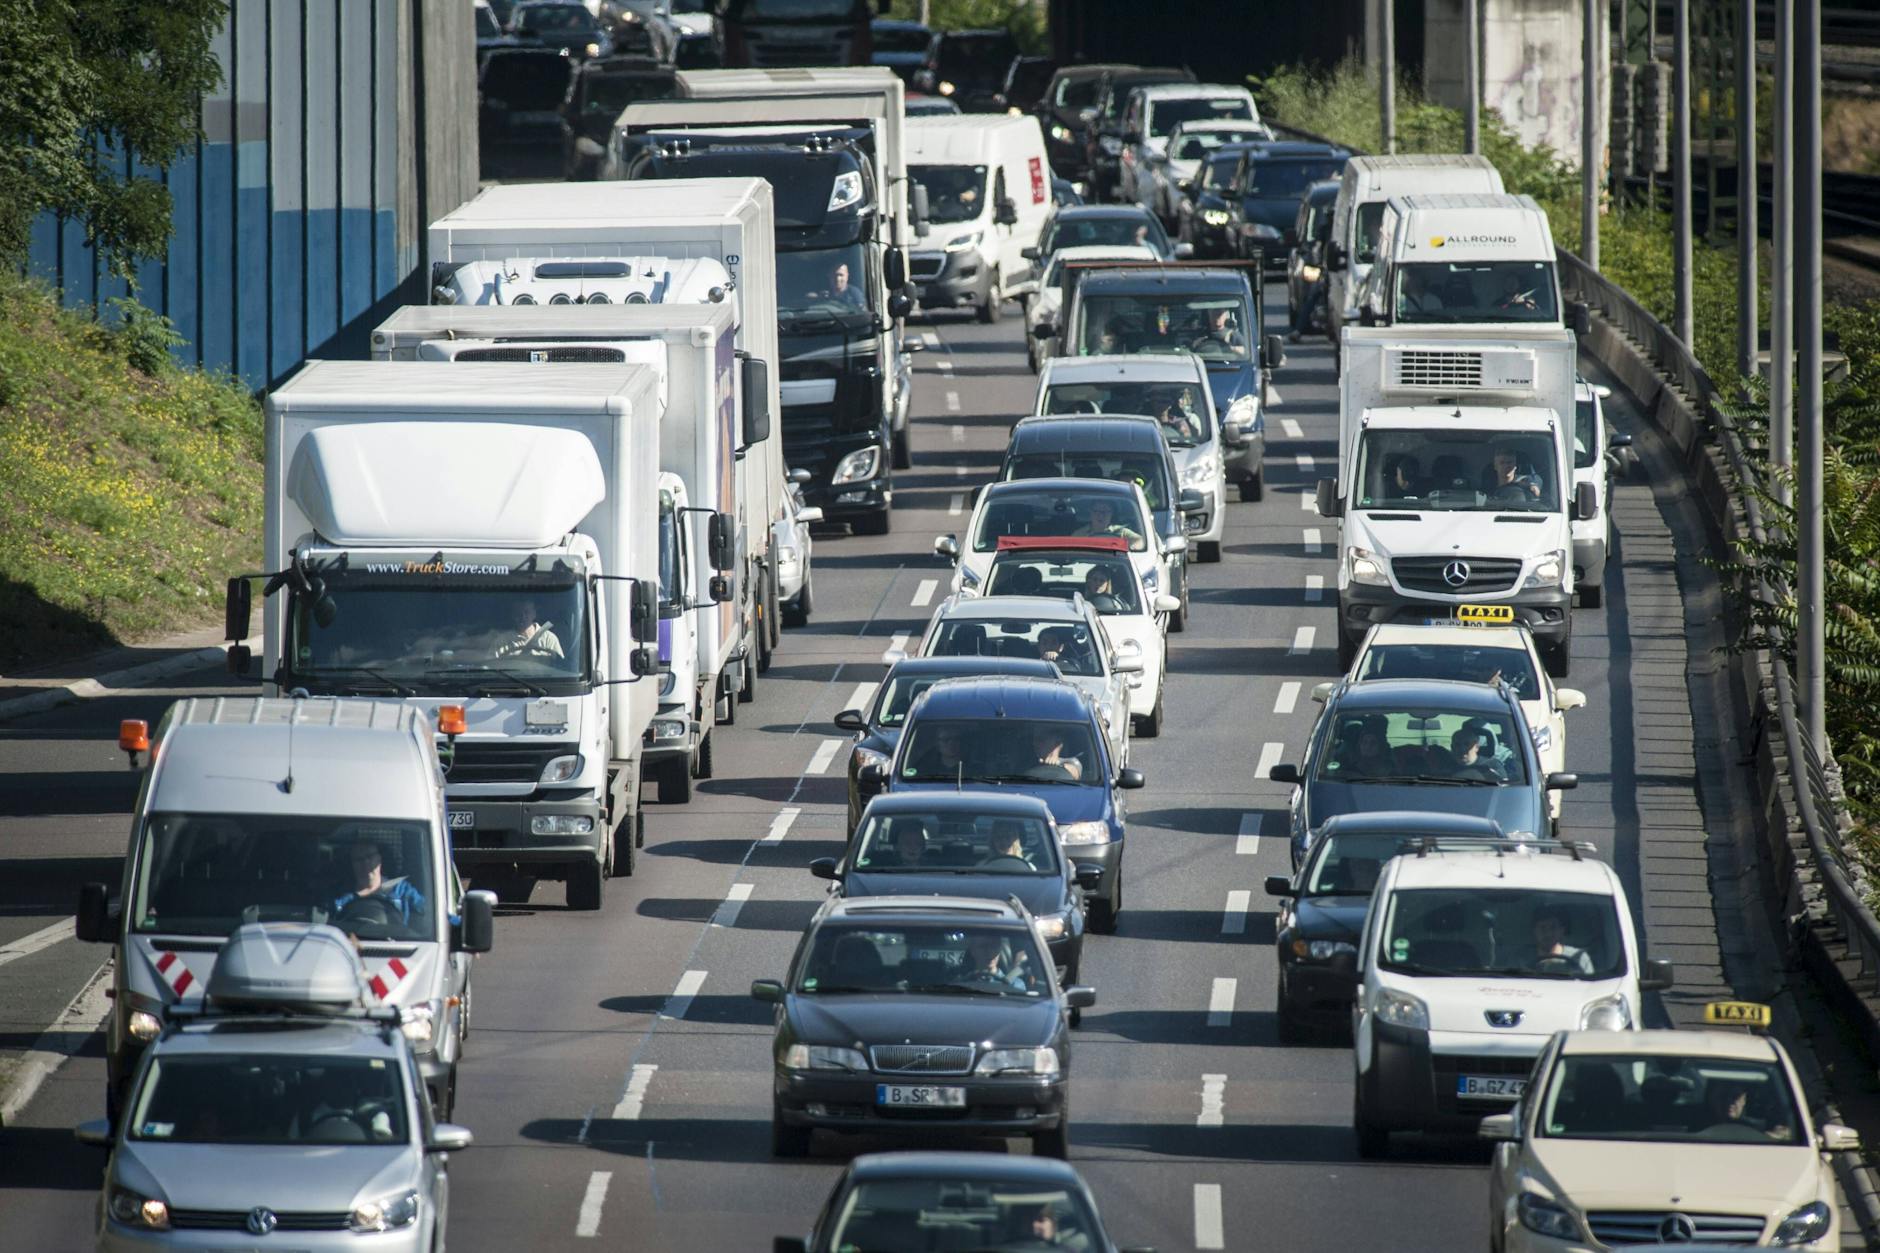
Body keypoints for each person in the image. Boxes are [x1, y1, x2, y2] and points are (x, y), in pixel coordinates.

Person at [330, 840, 427, 927]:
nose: (366, 863)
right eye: (359, 859)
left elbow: (428, 912)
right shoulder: (338, 898)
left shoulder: (402, 891)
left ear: (379, 859)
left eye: (370, 856)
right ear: (351, 864)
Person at [1705, 1079, 1792, 1140]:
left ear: (1744, 1100)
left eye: (1736, 1096)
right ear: (1711, 1098)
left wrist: (1773, 1136)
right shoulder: (1695, 1126)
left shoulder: (1756, 1127)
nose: (1730, 1102)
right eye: (1723, 1096)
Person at [1530, 907, 1596, 975]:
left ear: (1562, 930)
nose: (1548, 934)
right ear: (1534, 931)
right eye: (1542, 928)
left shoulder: (1580, 958)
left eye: (1553, 927)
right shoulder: (1522, 960)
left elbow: (1590, 984)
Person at [494, 598, 564, 661]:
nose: (523, 617)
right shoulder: (501, 641)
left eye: (527, 612)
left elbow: (560, 666)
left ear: (534, 614)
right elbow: (490, 667)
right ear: (512, 615)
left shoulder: (549, 639)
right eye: (518, 613)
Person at [1073, 499, 1142, 544]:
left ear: (1112, 514)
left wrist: (1131, 547)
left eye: (1105, 511)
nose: (1101, 515)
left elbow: (1140, 541)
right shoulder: (1079, 534)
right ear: (1090, 512)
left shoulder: (1123, 532)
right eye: (1097, 511)